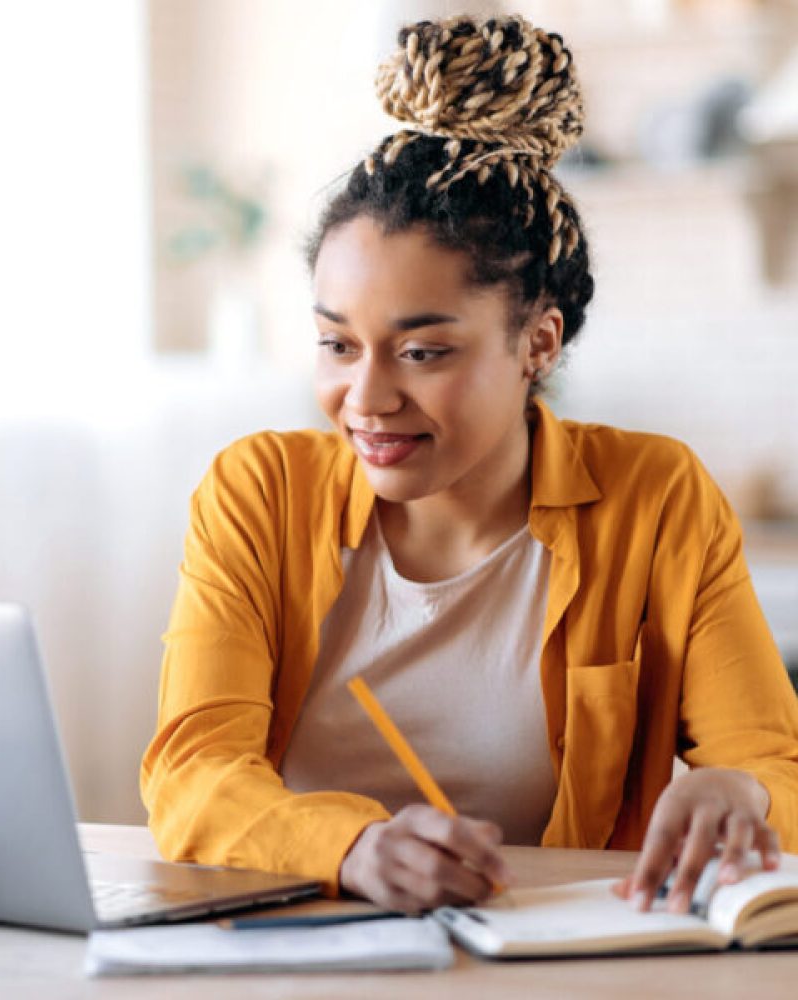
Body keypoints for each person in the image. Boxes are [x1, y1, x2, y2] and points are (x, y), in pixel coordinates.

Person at [140, 13, 798, 916]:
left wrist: (742, 795)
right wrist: (357, 848)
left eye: (422, 353)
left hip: (553, 963)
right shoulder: (258, 492)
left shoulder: (657, 499)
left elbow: (773, 764)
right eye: (337, 344)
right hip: (302, 950)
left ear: (537, 341)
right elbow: (192, 770)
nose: (365, 398)